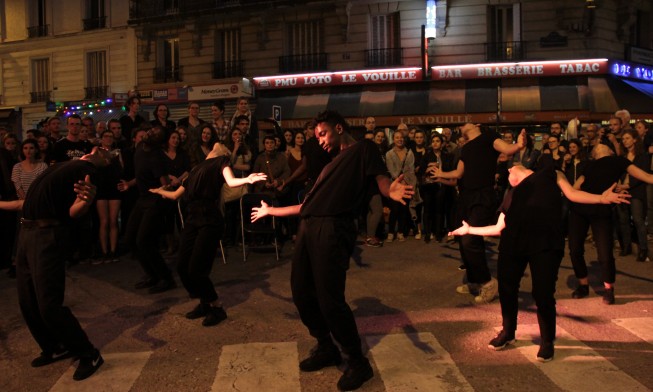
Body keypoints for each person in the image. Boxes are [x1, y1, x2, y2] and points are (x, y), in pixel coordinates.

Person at [251, 110, 413, 391]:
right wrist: (271, 210)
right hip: (308, 227)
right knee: (301, 292)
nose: (321, 141)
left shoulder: (364, 148)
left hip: (334, 229)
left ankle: (357, 362)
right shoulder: (330, 165)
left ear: (339, 127)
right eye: (317, 137)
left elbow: (380, 178)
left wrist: (391, 192)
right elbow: (307, 205)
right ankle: (326, 347)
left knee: (329, 299)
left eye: (323, 134)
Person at [449, 156, 629, 362]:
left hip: (545, 244)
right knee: (507, 289)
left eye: (509, 172)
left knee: (543, 293)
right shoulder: (511, 194)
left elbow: (573, 194)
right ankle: (508, 333)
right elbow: (499, 228)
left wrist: (600, 199)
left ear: (516, 168)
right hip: (513, 244)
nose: (508, 176)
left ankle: (547, 341)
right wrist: (470, 229)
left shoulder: (549, 173)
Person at [16, 146, 112, 381]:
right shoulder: (63, 165)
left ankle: (88, 353)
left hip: (47, 235)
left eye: (107, 152)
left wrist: (86, 202)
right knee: (28, 301)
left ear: (103, 161)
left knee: (49, 304)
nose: (100, 147)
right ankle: (55, 346)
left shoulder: (87, 169)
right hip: (27, 232)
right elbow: (26, 202)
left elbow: (74, 209)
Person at [150, 143, 267, 327]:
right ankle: (204, 302)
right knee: (182, 266)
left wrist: (247, 179)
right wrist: (160, 191)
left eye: (221, 146)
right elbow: (175, 196)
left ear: (223, 152)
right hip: (192, 218)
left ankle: (217, 307)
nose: (217, 144)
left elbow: (230, 181)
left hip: (209, 219)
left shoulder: (221, 162)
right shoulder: (195, 170)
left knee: (197, 269)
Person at [432, 123, 526, 303]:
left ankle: (487, 281)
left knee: (470, 239)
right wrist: (441, 174)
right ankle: (474, 281)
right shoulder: (465, 147)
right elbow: (459, 173)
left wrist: (519, 145)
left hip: (482, 196)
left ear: (476, 126)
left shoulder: (489, 137)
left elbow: (508, 148)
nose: (461, 125)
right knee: (463, 241)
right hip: (466, 198)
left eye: (465, 122)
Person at [569, 143, 653, 304]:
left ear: (610, 151)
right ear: (594, 153)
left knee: (605, 252)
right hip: (580, 209)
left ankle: (608, 288)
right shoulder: (588, 164)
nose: (599, 146)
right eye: (597, 146)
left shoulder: (619, 160)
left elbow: (647, 177)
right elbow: (575, 188)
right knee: (574, 249)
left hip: (601, 210)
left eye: (603, 145)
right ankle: (583, 284)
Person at [125, 126, 176, 294]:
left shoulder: (157, 157)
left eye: (154, 134)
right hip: (142, 199)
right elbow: (139, 174)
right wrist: (129, 184)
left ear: (158, 142)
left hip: (155, 201)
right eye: (151, 130)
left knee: (144, 241)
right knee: (131, 238)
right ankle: (152, 274)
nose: (149, 133)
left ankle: (166, 278)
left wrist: (164, 192)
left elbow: (166, 184)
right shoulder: (139, 147)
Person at [94, 130, 124, 263]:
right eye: (106, 136)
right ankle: (104, 251)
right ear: (101, 138)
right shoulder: (97, 151)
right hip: (101, 188)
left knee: (113, 221)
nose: (108, 138)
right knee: (104, 221)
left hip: (114, 188)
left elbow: (122, 168)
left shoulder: (117, 152)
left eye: (111, 137)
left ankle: (113, 250)